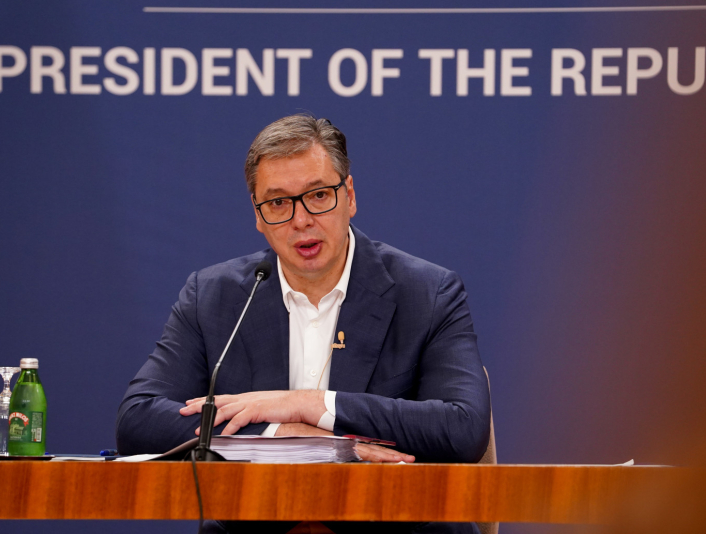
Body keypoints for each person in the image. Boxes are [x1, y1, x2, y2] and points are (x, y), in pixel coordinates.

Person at [116, 114, 491, 534]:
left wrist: (312, 405)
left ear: (349, 196)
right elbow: (138, 420)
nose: (301, 220)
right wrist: (280, 433)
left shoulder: (427, 292)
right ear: (258, 215)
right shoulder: (214, 296)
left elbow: (463, 429)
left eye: (318, 195)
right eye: (278, 203)